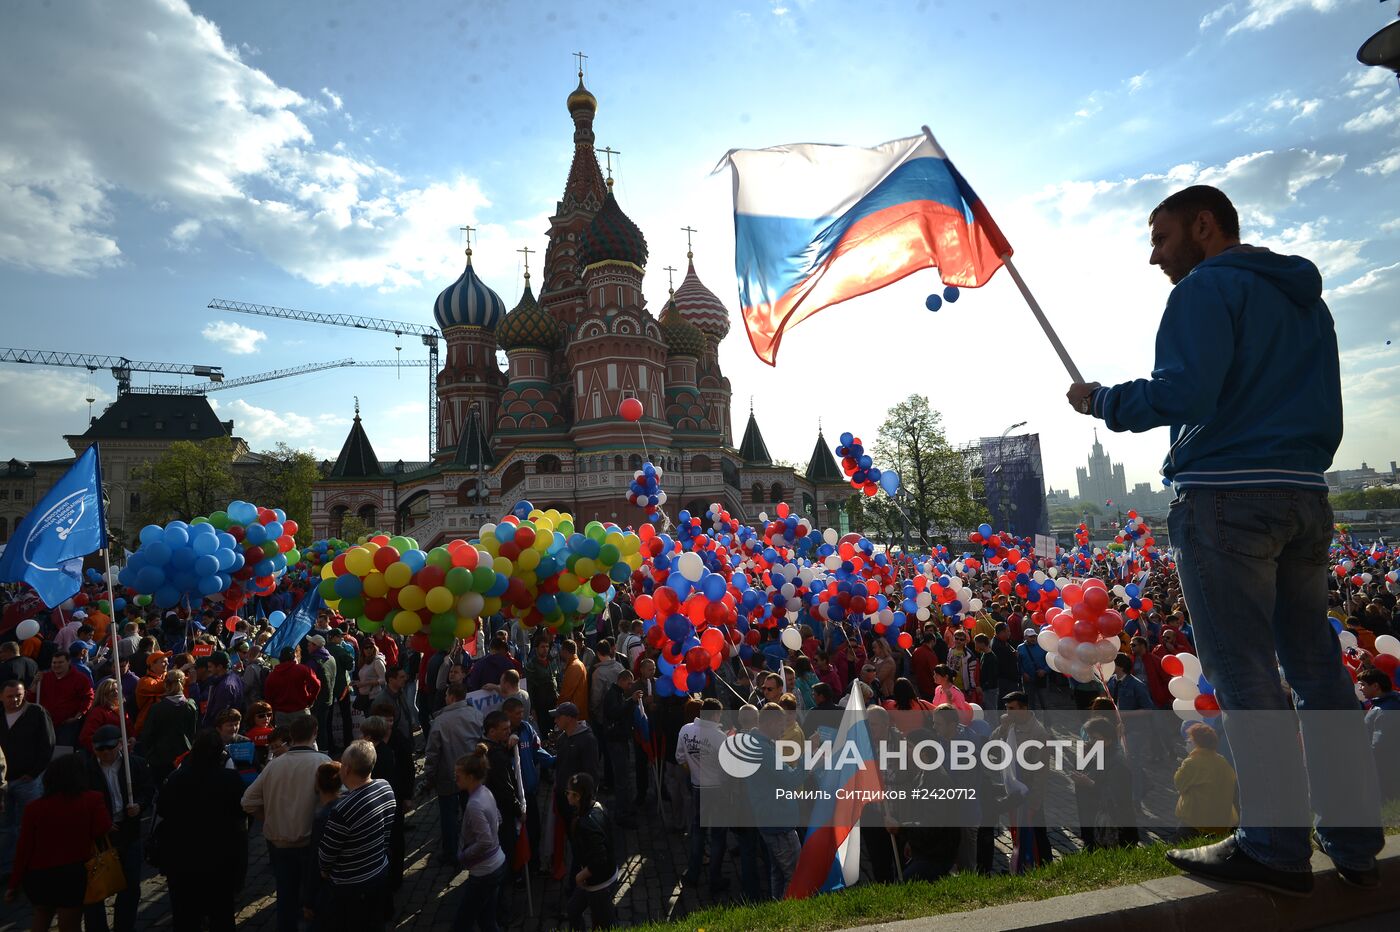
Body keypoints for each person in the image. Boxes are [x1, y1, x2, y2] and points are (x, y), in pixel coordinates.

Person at [1070, 184, 1382, 893]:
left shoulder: (1206, 291)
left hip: (1228, 497)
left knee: (1244, 673)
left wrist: (1102, 402)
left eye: (1160, 238)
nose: (1154, 258)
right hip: (1303, 494)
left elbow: (1185, 393)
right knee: (1319, 672)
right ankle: (1355, 841)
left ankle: (1274, 845)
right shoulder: (1305, 298)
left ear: (1203, 226)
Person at [241, 714, 330, 932]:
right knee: (311, 895)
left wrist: (267, 818)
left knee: (286, 894)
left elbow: (248, 801)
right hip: (310, 842)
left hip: (279, 842)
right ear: (315, 733)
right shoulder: (322, 763)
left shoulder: (274, 765)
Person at [4, 752, 110, 931]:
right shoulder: (92, 799)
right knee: (70, 924)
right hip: (72, 873)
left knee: (41, 917)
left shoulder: (34, 808)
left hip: (38, 876)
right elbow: (102, 829)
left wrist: (14, 884)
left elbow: (24, 849)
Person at [80, 724, 155, 932]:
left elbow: (148, 790)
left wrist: (139, 805)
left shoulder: (136, 765)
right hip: (101, 836)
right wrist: (99, 822)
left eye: (109, 748)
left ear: (120, 744)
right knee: (95, 888)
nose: (104, 753)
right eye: (99, 749)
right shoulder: (86, 769)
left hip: (128, 831)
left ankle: (124, 927)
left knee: (131, 887)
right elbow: (81, 802)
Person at [317, 740, 396, 932]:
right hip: (379, 870)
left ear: (347, 769)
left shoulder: (342, 810)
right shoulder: (385, 787)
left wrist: (324, 871)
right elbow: (386, 832)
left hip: (351, 885)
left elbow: (327, 855)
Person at [422, 681, 483, 865]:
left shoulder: (440, 721)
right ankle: (471, 845)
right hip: (471, 774)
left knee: (448, 816)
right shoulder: (476, 714)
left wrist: (429, 776)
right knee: (469, 811)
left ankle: (450, 852)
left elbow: (432, 753)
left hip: (448, 774)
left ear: (451, 697)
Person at [0, 679, 56, 881]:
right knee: (6, 827)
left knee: (32, 824)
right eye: (10, 696)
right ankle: (7, 868)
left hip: (29, 780)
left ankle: (35, 864)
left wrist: (34, 772)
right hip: (3, 782)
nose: (15, 699)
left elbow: (48, 744)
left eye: (19, 695)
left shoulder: (36, 713)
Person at [675, 697, 727, 891]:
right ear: (715, 715)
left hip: (697, 787)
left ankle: (693, 873)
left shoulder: (686, 730)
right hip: (716, 789)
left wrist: (695, 772)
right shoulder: (719, 737)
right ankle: (715, 877)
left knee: (697, 832)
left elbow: (680, 757)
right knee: (718, 835)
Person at [454, 745, 507, 932]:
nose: (455, 778)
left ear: (470, 777)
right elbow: (498, 818)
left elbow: (485, 841)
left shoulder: (474, 805)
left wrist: (464, 855)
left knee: (462, 922)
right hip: (496, 863)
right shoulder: (485, 791)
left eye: (458, 775)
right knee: (487, 921)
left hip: (485, 871)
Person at [1069, 717, 1139, 851]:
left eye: (1095, 738)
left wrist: (1090, 784)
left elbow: (1118, 796)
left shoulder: (1118, 762)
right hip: (1092, 822)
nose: (1091, 741)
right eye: (1089, 737)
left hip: (1113, 829)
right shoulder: (1096, 752)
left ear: (1109, 739)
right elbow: (1082, 769)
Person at [566, 772, 617, 931]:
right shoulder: (597, 807)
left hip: (599, 883)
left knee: (607, 924)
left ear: (577, 797)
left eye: (568, 793)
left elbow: (599, 859)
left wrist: (582, 875)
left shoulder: (585, 824)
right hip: (596, 880)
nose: (566, 795)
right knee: (573, 909)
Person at [1173, 723, 1238, 836]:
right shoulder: (1222, 761)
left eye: (1190, 740)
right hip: (1222, 822)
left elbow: (1178, 784)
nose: (1187, 742)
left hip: (1196, 820)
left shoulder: (1192, 762)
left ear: (1198, 743)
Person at [136, 670, 197, 784]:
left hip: (161, 759)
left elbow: (147, 735)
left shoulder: (157, 708)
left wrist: (149, 754)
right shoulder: (191, 705)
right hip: (184, 757)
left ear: (165, 685)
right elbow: (193, 732)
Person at [301, 761, 342, 929]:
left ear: (318, 784)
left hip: (330, 888)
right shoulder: (345, 806)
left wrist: (308, 901)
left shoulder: (322, 817)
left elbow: (316, 861)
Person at [601, 668, 640, 828]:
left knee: (624, 777)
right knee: (622, 779)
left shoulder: (617, 693)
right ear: (621, 680)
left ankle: (625, 808)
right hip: (616, 740)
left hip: (620, 739)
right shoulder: (612, 695)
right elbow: (615, 712)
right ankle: (621, 814)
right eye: (629, 683)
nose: (630, 686)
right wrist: (631, 701)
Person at [35, 651, 93, 748]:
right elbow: (33, 697)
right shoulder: (44, 678)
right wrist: (34, 685)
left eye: (60, 662)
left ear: (68, 662)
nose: (57, 665)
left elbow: (89, 697)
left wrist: (79, 715)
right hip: (46, 724)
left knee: (63, 753)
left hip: (66, 726)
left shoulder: (80, 679)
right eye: (54, 663)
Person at [1359, 669, 1400, 803]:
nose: (1360, 688)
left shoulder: (1385, 709)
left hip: (1384, 771)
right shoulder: (1384, 704)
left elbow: (1380, 744)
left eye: (1363, 684)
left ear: (1376, 686)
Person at [264, 647, 322, 727]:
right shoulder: (302, 669)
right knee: (305, 738)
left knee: (285, 738)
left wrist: (273, 713)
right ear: (294, 657)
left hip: (281, 714)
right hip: (300, 711)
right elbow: (316, 684)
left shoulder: (272, 675)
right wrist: (310, 700)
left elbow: (269, 697)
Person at [77, 677, 124, 755]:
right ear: (104, 694)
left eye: (117, 689)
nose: (116, 692)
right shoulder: (97, 713)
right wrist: (104, 750)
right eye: (112, 690)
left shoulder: (121, 711)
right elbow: (85, 737)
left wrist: (132, 737)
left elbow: (129, 729)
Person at [202, 650, 246, 729]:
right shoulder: (234, 677)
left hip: (223, 730)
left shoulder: (225, 687)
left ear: (219, 667)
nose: (208, 670)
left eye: (210, 667)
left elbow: (219, 714)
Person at [132, 651, 169, 734]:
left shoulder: (165, 677)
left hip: (162, 725)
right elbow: (158, 687)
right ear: (152, 665)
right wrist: (177, 675)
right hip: (146, 727)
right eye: (163, 662)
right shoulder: (144, 681)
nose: (167, 664)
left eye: (167, 661)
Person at [375, 666, 415, 743]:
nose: (405, 679)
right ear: (391, 680)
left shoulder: (400, 692)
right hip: (394, 744)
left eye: (405, 676)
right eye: (401, 677)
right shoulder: (382, 700)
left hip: (405, 740)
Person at [557, 640, 589, 720]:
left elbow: (566, 693)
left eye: (561, 650)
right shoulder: (577, 664)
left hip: (574, 715)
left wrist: (558, 709)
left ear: (565, 651)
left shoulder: (574, 666)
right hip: (577, 712)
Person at [354, 642, 386, 714]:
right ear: (363, 650)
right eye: (366, 648)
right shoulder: (364, 661)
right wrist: (356, 682)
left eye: (371, 647)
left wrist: (365, 683)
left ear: (374, 648)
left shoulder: (377, 661)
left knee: (374, 722)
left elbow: (383, 680)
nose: (368, 649)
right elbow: (365, 678)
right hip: (365, 697)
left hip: (374, 697)